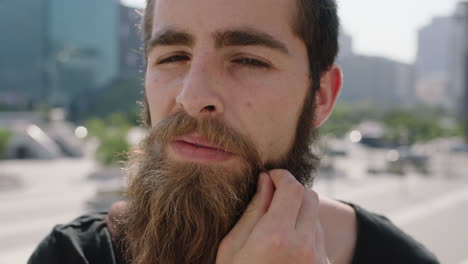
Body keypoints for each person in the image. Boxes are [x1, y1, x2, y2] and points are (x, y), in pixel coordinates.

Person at [28, 0, 440, 263]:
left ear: (320, 97)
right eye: (173, 56)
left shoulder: (399, 258)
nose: (192, 97)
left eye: (248, 60)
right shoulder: (72, 256)